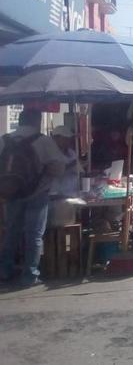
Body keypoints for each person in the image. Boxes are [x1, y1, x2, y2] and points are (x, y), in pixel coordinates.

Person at [0, 109, 65, 287]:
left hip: (11, 193)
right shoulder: (43, 141)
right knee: (34, 234)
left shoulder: (4, 140)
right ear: (37, 121)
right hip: (37, 194)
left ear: (19, 121)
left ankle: (4, 270)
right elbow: (59, 168)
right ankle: (30, 275)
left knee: (11, 232)